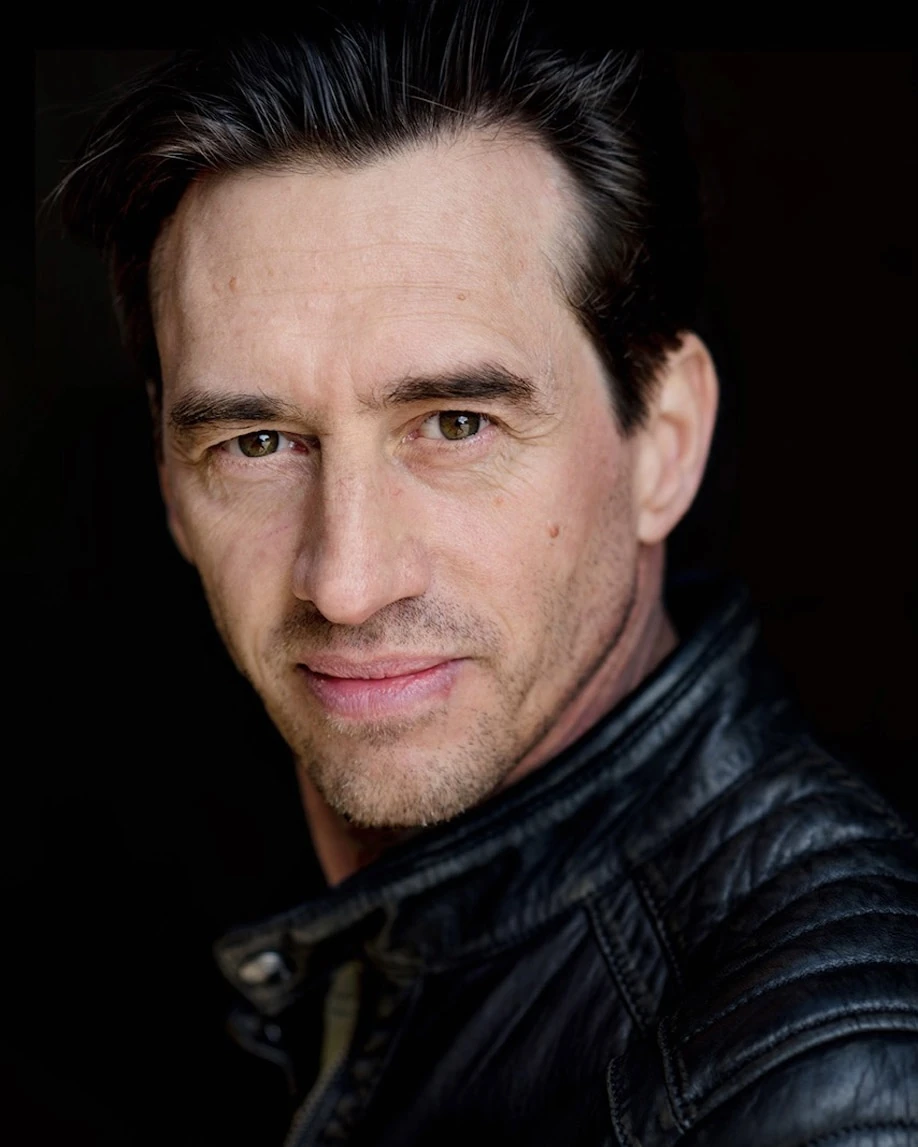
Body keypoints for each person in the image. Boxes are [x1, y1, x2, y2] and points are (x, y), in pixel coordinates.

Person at [52, 12, 918, 1146]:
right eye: (258, 443)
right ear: (171, 483)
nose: (347, 581)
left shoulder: (821, 1079)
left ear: (664, 442)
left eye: (456, 423)